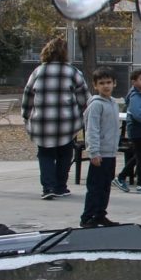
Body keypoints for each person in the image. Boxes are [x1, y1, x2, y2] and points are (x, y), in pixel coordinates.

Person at [21, 35, 88, 200]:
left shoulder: (38, 71)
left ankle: (48, 187)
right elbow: (84, 99)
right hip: (66, 122)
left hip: (42, 122)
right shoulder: (72, 72)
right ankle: (60, 186)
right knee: (65, 153)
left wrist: (26, 115)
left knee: (45, 154)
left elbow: (28, 95)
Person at [79, 67, 121, 229]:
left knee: (105, 186)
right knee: (95, 187)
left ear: (114, 83)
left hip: (110, 153)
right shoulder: (96, 105)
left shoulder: (113, 104)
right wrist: (94, 152)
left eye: (109, 82)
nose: (106, 86)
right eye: (102, 83)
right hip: (99, 153)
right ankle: (88, 216)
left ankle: (100, 214)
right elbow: (92, 129)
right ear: (95, 86)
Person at [114, 68, 141, 194]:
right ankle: (139, 183)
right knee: (140, 156)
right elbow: (138, 114)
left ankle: (123, 177)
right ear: (134, 82)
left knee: (139, 155)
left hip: (139, 128)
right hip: (136, 128)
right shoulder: (136, 96)